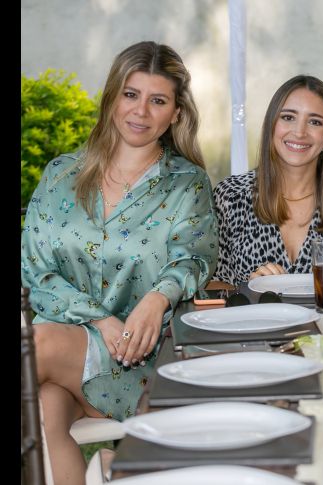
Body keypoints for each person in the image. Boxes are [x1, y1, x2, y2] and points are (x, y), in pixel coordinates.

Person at [21, 41, 218, 485]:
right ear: (112, 97)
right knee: (45, 413)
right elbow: (34, 270)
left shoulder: (187, 184)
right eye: (131, 94)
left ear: (176, 114)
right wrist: (99, 319)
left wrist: (156, 298)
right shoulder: (60, 174)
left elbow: (193, 258)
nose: (140, 111)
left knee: (34, 345)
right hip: (65, 357)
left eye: (158, 101)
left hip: (137, 357)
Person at [213, 75, 323, 285]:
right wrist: (250, 289)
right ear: (272, 125)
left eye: (315, 122)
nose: (299, 132)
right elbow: (209, 287)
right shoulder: (230, 195)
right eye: (288, 117)